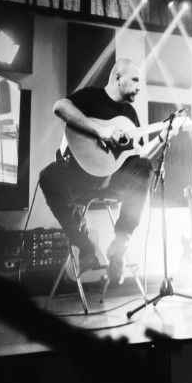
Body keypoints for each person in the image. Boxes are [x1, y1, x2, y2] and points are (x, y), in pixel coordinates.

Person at [38, 59, 159, 286]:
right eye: (135, 80)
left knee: (144, 167)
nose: (139, 86)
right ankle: (84, 245)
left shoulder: (130, 114)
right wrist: (100, 131)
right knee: (48, 176)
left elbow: (140, 154)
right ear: (118, 77)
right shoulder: (91, 96)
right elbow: (60, 107)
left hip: (113, 180)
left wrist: (164, 135)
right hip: (80, 178)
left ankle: (120, 243)